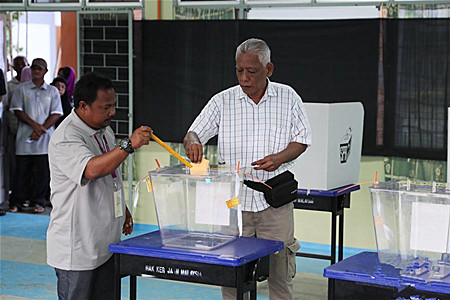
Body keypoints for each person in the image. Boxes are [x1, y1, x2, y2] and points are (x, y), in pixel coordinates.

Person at [184, 38, 312, 300]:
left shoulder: (288, 98)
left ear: (269, 69)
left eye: (251, 71)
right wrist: (194, 142)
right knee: (232, 275)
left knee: (280, 274)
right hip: (234, 204)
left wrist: (278, 158)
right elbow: (194, 132)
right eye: (239, 70)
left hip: (274, 202)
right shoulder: (222, 101)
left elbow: (302, 139)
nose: (244, 78)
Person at [46, 72, 152, 300]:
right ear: (83, 106)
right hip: (77, 248)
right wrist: (129, 144)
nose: (112, 112)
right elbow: (92, 170)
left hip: (106, 243)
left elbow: (110, 173)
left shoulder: (104, 130)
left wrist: (121, 208)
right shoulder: (67, 136)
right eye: (106, 108)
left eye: (113, 106)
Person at [9, 58, 63, 213]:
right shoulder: (21, 89)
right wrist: (36, 127)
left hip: (45, 140)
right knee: (21, 172)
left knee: (42, 173)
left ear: (45, 71)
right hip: (25, 138)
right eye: (33, 68)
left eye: (39, 68)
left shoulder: (52, 91)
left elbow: (56, 113)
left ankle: (39, 202)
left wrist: (41, 130)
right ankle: (17, 201)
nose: (36, 71)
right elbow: (17, 110)